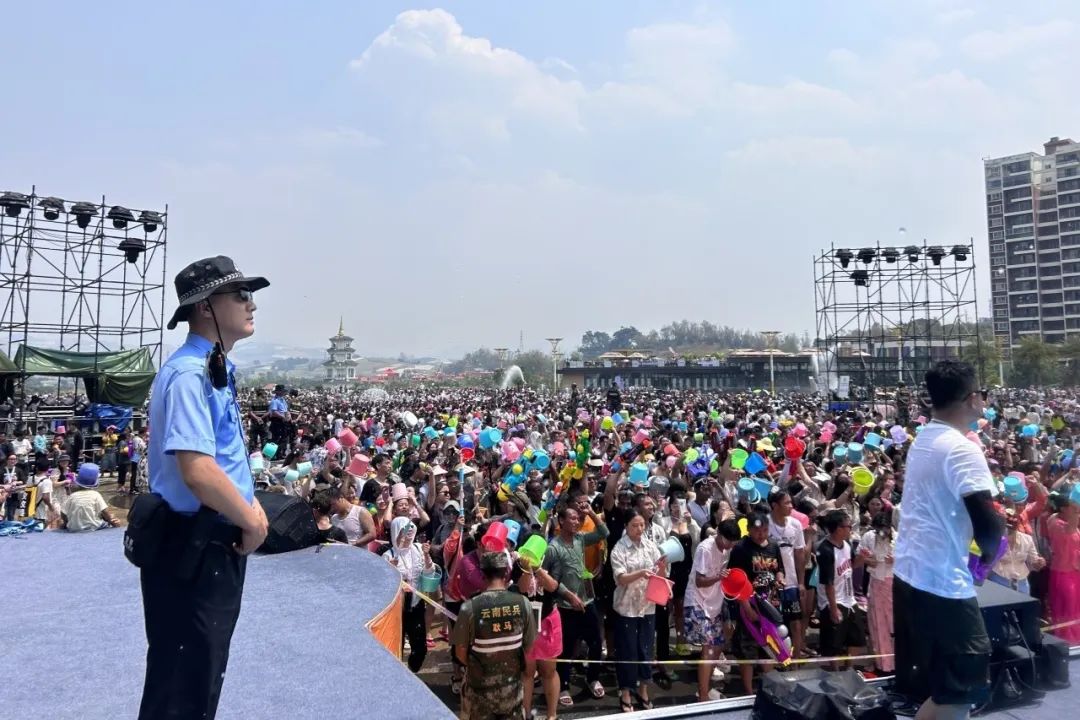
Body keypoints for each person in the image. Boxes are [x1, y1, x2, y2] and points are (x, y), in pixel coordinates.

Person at [137, 255, 271, 720]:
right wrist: (250, 517)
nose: (250, 304)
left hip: (207, 540)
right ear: (205, 308)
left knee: (198, 674)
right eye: (240, 295)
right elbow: (198, 470)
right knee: (183, 681)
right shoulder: (191, 373)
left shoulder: (214, 366)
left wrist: (249, 505)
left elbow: (221, 460)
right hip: (193, 544)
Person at [893, 361, 1004, 719]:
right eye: (983, 395)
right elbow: (989, 525)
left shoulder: (924, 438)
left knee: (944, 691)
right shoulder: (961, 448)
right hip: (943, 586)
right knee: (962, 689)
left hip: (911, 577)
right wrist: (986, 559)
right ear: (972, 399)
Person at [452, 550, 537, 720]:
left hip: (479, 694)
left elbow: (460, 654)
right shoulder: (523, 604)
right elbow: (530, 652)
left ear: (482, 574)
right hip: (512, 692)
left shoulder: (469, 607)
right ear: (507, 572)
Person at [543, 503, 608, 707]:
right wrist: (568, 595)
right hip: (565, 607)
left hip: (587, 602)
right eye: (572, 518)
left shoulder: (580, 539)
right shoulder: (553, 547)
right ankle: (563, 685)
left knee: (596, 642)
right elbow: (547, 578)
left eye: (578, 519)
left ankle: (592, 678)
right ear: (561, 521)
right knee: (566, 649)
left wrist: (590, 513)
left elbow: (603, 532)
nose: (576, 521)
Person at [609, 509, 666, 713]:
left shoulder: (651, 546)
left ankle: (643, 690)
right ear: (626, 526)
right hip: (627, 607)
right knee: (627, 651)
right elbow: (621, 578)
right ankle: (625, 692)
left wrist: (661, 566)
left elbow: (661, 573)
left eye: (642, 525)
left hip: (648, 605)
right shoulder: (619, 549)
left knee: (645, 650)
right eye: (635, 525)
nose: (639, 529)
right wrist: (641, 573)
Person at [684, 518, 741, 701]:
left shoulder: (727, 549)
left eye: (734, 542)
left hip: (715, 602)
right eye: (728, 541)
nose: (730, 545)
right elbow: (700, 581)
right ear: (719, 535)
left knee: (717, 647)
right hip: (697, 602)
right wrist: (718, 577)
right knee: (708, 649)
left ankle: (706, 688)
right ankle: (702, 695)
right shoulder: (705, 549)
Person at [727, 511, 783, 696]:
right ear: (749, 530)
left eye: (765, 530)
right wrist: (746, 607)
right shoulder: (741, 549)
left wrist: (781, 579)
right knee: (748, 652)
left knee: (769, 649)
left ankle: (767, 688)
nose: (761, 534)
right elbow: (735, 581)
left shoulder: (774, 546)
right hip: (749, 606)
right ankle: (748, 691)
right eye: (757, 530)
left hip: (771, 606)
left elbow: (779, 569)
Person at [815, 509, 867, 669]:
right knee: (834, 643)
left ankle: (848, 667)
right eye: (848, 526)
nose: (850, 529)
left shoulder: (846, 544)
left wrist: (862, 559)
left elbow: (850, 566)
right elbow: (828, 583)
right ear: (838, 528)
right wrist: (833, 608)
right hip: (833, 600)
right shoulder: (825, 550)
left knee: (856, 638)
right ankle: (835, 671)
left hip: (849, 598)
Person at [768, 489, 807, 660]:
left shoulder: (796, 525)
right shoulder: (765, 523)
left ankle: (795, 660)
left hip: (791, 583)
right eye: (787, 503)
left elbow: (800, 555)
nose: (791, 506)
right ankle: (777, 659)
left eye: (791, 502)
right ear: (774, 506)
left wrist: (801, 582)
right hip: (771, 584)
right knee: (774, 625)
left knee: (795, 623)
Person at [61, 463, 122, 532]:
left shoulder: (72, 496)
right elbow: (105, 512)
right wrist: (111, 521)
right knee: (110, 518)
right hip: (93, 526)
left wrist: (66, 522)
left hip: (73, 528)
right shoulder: (96, 495)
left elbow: (63, 513)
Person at [267, 384, 291, 458]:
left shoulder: (283, 400)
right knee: (276, 439)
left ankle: (280, 453)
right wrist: (282, 416)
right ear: (278, 392)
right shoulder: (275, 401)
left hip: (283, 421)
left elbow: (286, 410)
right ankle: (273, 455)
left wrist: (288, 416)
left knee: (284, 438)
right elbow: (274, 412)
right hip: (277, 421)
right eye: (282, 391)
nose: (284, 393)